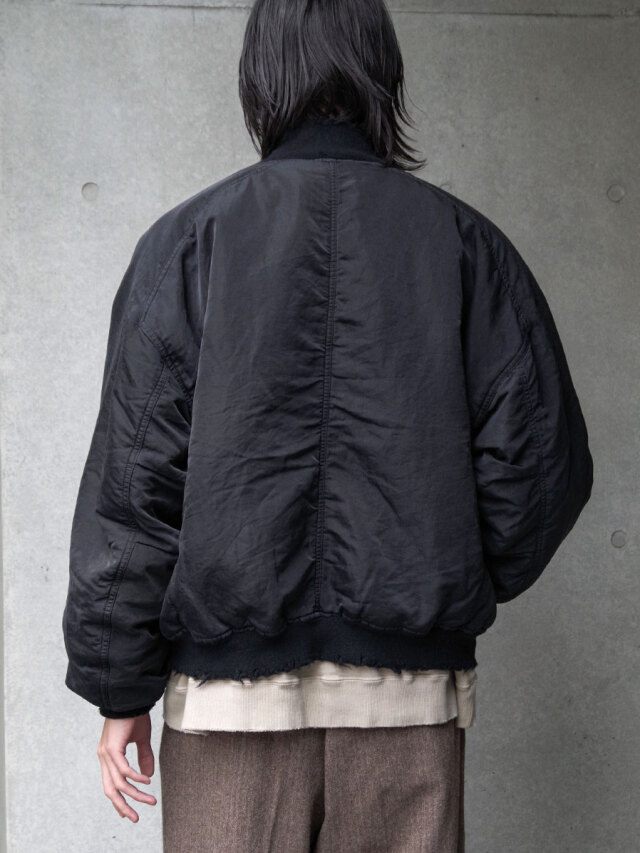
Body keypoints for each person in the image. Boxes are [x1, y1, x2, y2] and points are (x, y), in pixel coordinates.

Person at [61, 0, 594, 850]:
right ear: (382, 72)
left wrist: (120, 688)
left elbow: (133, 489)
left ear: (260, 79)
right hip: (406, 706)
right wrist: (440, 578)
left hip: (229, 714)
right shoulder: (467, 248)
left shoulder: (187, 246)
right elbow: (541, 471)